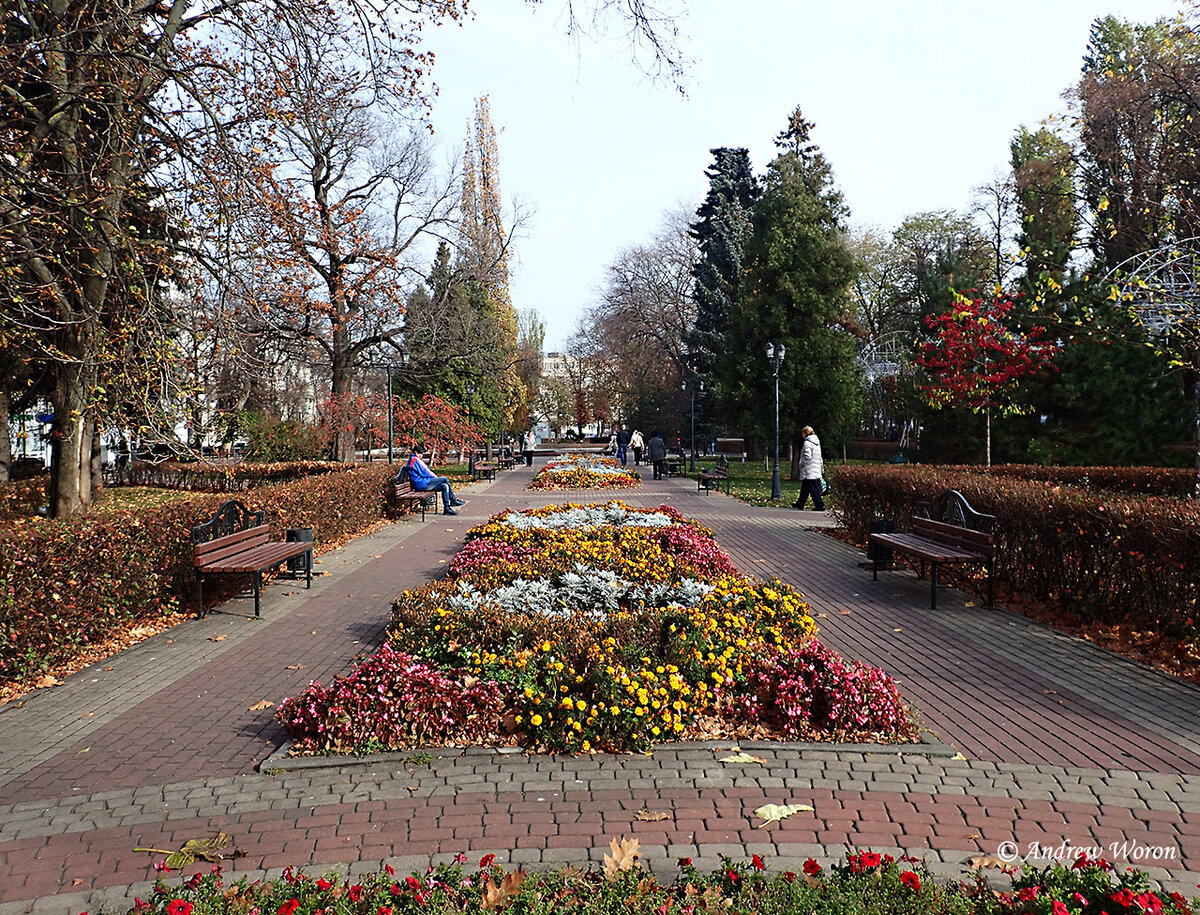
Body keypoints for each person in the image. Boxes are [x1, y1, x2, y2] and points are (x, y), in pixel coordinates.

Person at [406, 444, 465, 515]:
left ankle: (447, 508)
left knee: (444, 486)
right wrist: (435, 478)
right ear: (414, 452)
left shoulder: (415, 459)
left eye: (421, 453)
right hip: (421, 484)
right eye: (419, 453)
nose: (421, 455)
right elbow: (425, 472)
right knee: (444, 479)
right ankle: (453, 499)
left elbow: (425, 471)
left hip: (423, 482)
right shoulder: (414, 460)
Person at [793, 426, 825, 511]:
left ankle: (820, 505)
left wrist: (802, 464)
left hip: (809, 469)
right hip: (815, 467)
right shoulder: (816, 442)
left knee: (813, 488)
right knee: (805, 487)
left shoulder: (807, 443)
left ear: (805, 433)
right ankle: (800, 503)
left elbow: (807, 456)